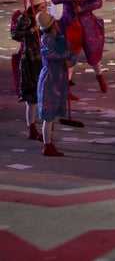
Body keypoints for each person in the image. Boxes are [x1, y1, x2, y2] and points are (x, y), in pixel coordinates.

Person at [51, 0, 107, 92]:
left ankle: (99, 75)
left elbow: (98, 2)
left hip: (87, 23)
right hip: (70, 23)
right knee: (71, 53)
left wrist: (84, 8)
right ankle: (68, 85)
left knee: (92, 50)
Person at [35, 11, 76, 157]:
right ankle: (47, 145)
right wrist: (63, 58)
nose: (57, 24)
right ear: (51, 26)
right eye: (55, 22)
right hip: (49, 80)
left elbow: (72, 56)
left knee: (51, 116)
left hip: (58, 79)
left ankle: (50, 141)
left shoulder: (60, 40)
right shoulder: (46, 40)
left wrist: (68, 59)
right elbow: (49, 55)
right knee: (48, 116)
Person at [11, 0, 47, 141]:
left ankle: (36, 127)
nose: (44, 8)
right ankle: (31, 128)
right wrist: (32, 30)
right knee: (31, 98)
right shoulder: (26, 18)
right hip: (29, 61)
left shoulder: (42, 18)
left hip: (40, 60)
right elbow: (15, 34)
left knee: (38, 97)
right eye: (41, 6)